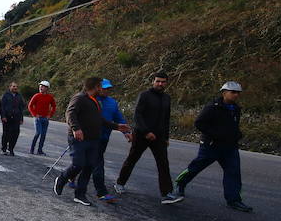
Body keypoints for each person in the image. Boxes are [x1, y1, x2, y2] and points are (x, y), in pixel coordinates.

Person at [174, 82, 253, 212]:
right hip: (211, 145)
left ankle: (234, 200)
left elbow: (233, 124)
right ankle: (180, 184)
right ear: (224, 93)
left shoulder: (236, 108)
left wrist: (237, 134)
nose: (236, 95)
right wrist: (216, 135)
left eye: (238, 93)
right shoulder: (212, 107)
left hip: (230, 147)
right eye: (233, 92)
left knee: (233, 172)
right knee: (196, 167)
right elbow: (199, 123)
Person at [53, 77, 130, 206]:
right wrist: (76, 129)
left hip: (94, 139)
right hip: (79, 138)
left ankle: (80, 195)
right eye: (100, 86)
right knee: (78, 164)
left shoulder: (95, 101)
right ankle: (62, 178)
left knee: (88, 167)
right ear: (94, 87)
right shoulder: (79, 98)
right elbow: (70, 113)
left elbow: (100, 120)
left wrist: (116, 126)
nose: (102, 89)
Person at [114, 72, 182, 204]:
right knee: (132, 159)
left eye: (163, 82)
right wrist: (146, 132)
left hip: (159, 137)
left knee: (163, 164)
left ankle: (166, 194)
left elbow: (166, 119)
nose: (160, 84)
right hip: (141, 135)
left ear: (166, 83)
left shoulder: (167, 98)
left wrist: (166, 137)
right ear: (153, 81)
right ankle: (120, 183)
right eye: (158, 81)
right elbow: (137, 115)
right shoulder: (144, 96)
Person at [27, 80, 57, 155]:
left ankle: (40, 150)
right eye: (40, 86)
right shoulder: (36, 96)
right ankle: (32, 149)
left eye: (43, 87)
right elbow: (30, 106)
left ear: (47, 88)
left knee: (43, 135)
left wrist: (50, 115)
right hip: (38, 118)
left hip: (45, 118)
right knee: (38, 133)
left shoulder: (50, 97)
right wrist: (34, 114)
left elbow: (54, 106)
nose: (41, 88)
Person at [0, 82, 25, 156]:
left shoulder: (19, 96)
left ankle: (11, 149)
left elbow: (21, 108)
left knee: (15, 134)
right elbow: (1, 107)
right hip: (7, 118)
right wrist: (3, 116)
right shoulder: (5, 95)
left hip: (16, 118)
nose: (15, 88)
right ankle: (3, 149)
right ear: (10, 87)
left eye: (16, 86)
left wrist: (21, 118)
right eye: (13, 86)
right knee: (6, 134)